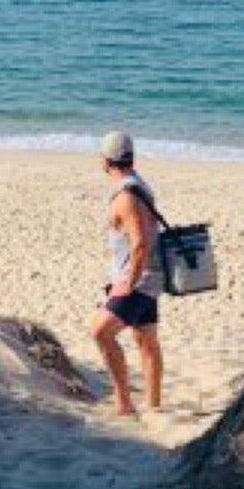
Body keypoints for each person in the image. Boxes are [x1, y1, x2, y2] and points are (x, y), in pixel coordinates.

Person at [91, 129, 164, 417]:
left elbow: (140, 243)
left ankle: (124, 404)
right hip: (150, 276)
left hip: (138, 280)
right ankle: (154, 405)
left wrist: (127, 284)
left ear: (106, 161)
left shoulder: (125, 196)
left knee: (101, 332)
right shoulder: (139, 185)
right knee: (145, 338)